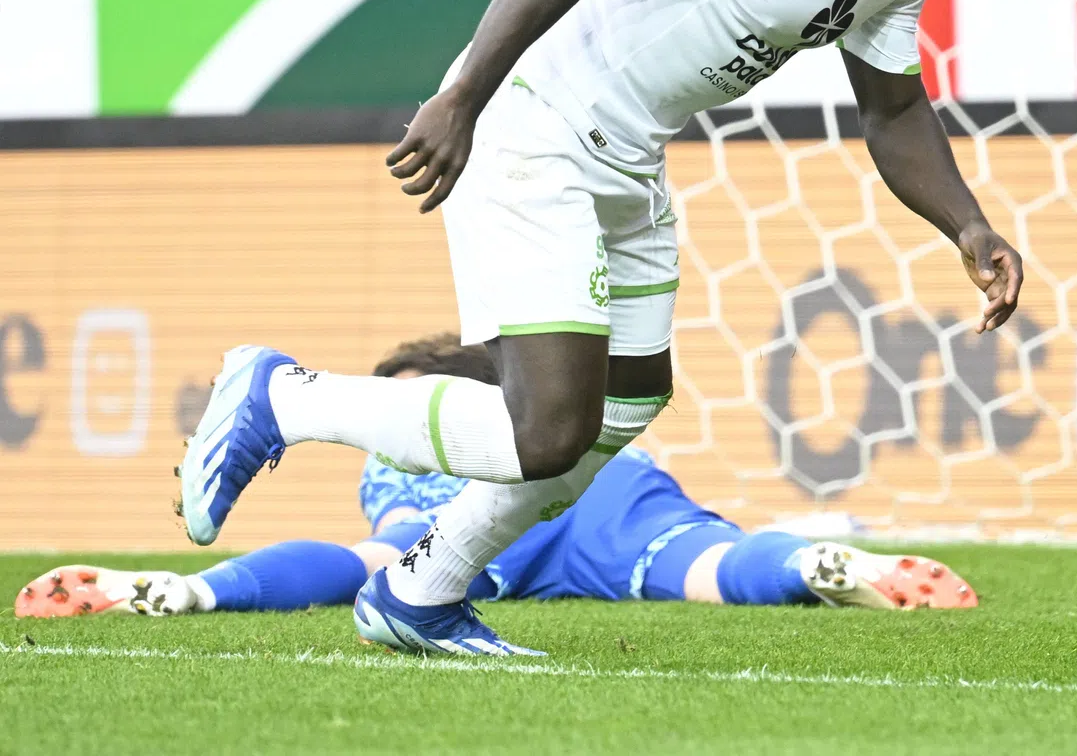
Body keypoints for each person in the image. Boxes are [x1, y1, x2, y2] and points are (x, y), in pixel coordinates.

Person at [179, 0, 1023, 656]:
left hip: (625, 154)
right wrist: (462, 97)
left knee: (625, 404)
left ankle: (421, 592)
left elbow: (894, 111)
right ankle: (286, 399)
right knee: (546, 430)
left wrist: (967, 226)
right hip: (534, 123)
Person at [29, 337, 974, 623]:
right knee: (706, 562)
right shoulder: (553, 417)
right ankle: (816, 561)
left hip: (518, 496)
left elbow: (371, 546)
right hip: (606, 486)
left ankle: (183, 592)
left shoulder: (398, 457)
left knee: (385, 561)